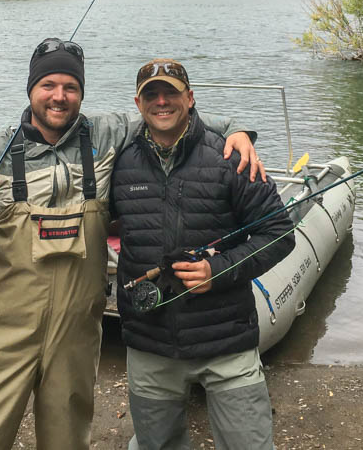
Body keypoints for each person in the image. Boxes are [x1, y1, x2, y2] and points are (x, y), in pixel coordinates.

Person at [0, 38, 263, 450]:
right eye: (49, 85)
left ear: (81, 93)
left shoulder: (109, 132)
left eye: (71, 87)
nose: (59, 97)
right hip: (1, 327)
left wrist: (237, 131)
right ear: (31, 89)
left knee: (67, 440)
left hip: (77, 329)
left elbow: (169, 118)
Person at [111, 58, 295, 450]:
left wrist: (220, 269)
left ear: (190, 98)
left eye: (171, 93)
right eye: (151, 95)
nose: (162, 102)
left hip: (226, 339)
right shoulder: (117, 162)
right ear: (138, 103)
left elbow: (279, 232)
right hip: (150, 342)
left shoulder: (233, 157)